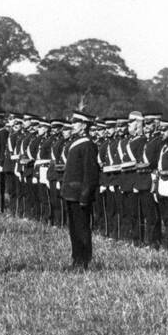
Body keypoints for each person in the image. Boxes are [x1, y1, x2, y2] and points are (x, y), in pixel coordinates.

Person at [61, 111, 100, 269]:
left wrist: (85, 195)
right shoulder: (76, 143)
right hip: (71, 194)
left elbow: (90, 173)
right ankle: (76, 258)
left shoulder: (88, 145)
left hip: (79, 195)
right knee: (74, 230)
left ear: (84, 125)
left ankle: (83, 261)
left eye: (76, 122)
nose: (72, 125)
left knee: (82, 229)